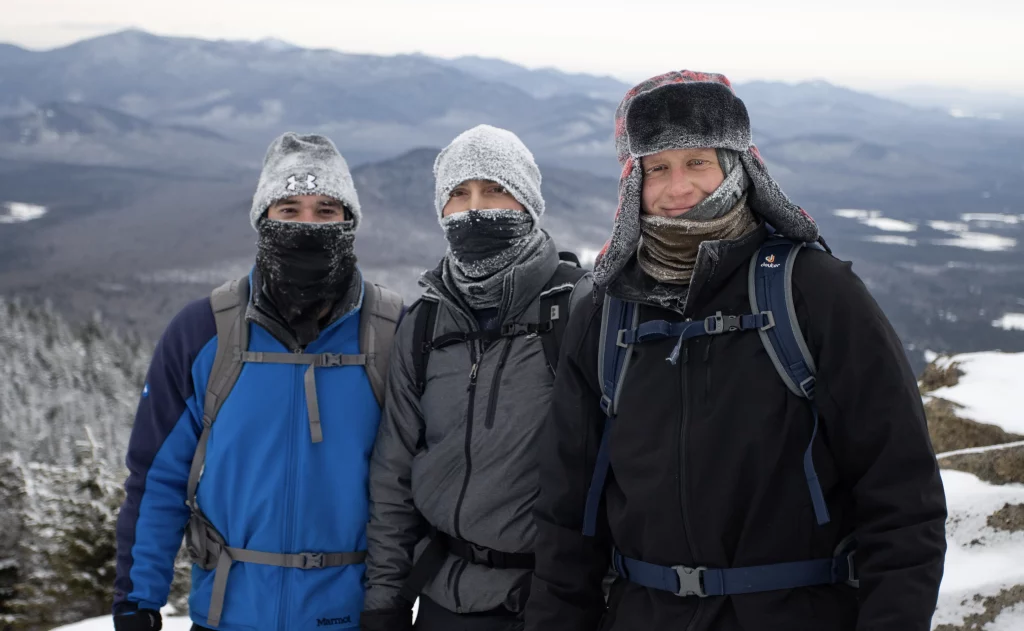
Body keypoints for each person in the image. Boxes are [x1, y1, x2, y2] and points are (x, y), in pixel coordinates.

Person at [525, 71, 947, 631]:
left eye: (698, 162)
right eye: (658, 168)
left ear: (737, 165)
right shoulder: (605, 314)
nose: (678, 188)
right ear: (633, 181)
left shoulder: (813, 292)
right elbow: (567, 520)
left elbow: (902, 495)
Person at [113, 133, 403, 631]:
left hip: (353, 618)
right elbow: (157, 478)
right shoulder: (204, 331)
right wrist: (139, 600)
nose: (307, 226)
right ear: (262, 220)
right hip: (229, 614)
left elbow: (422, 484)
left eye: (326, 211)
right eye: (288, 210)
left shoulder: (393, 332)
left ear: (349, 223)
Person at [360, 125, 591, 631]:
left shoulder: (578, 309)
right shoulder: (424, 323)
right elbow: (394, 472)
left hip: (552, 601)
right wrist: (386, 600)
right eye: (459, 195)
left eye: (495, 190)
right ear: (442, 210)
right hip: (444, 599)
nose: (475, 208)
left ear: (528, 203)